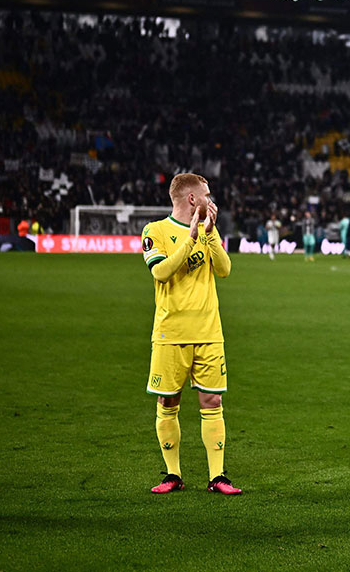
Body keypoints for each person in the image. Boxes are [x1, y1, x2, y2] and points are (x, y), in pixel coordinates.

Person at [141, 173, 241, 496]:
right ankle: (172, 474)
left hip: (209, 332)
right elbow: (160, 271)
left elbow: (224, 269)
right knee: (168, 401)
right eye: (207, 194)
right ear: (193, 200)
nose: (213, 200)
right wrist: (191, 237)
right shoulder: (155, 231)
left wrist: (209, 236)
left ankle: (218, 477)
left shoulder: (210, 232)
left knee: (213, 400)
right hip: (171, 333)